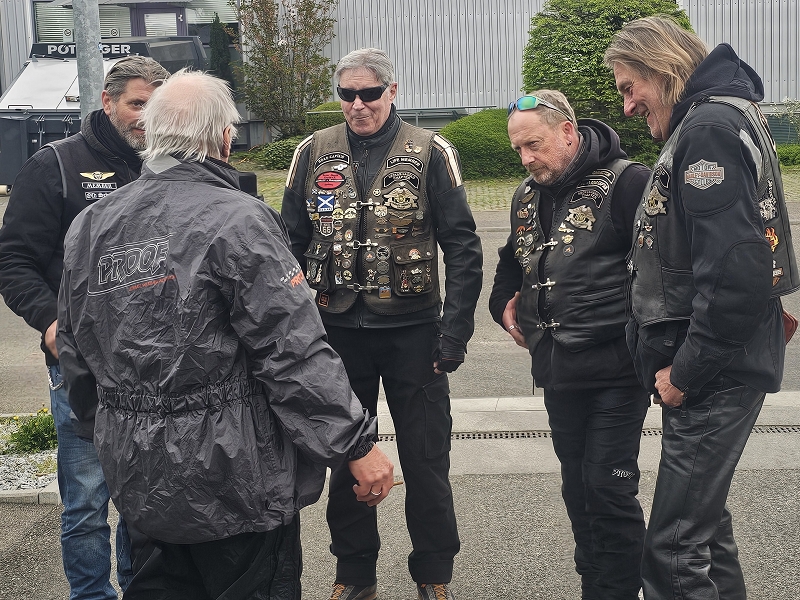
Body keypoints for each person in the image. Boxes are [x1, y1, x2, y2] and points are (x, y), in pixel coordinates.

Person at [56, 68, 395, 600]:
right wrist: (354, 443)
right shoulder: (239, 220)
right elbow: (292, 351)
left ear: (152, 134)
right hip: (236, 480)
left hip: (140, 475)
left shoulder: (92, 225)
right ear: (224, 138)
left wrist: (114, 431)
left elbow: (75, 351)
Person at [604, 16, 799, 600]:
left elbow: (736, 273)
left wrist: (685, 373)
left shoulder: (708, 129)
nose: (628, 106)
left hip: (711, 372)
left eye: (629, 86)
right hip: (720, 363)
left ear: (662, 69)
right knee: (705, 533)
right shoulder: (723, 116)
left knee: (672, 551)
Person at [281, 48, 483, 600]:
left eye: (370, 93)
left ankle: (433, 573)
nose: (358, 104)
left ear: (392, 92)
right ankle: (354, 573)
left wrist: (454, 332)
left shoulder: (431, 150)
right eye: (347, 94)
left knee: (426, 459)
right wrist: (297, 332)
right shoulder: (312, 151)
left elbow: (462, 246)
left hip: (414, 332)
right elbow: (288, 244)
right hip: (336, 333)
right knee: (346, 455)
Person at [0, 55, 169, 600]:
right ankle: (92, 594)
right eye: (136, 103)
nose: (146, 116)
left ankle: (140, 591)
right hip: (82, 366)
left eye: (156, 106)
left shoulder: (169, 165)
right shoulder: (55, 165)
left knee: (145, 501)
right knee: (87, 502)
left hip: (157, 368)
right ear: (107, 101)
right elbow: (13, 261)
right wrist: (51, 326)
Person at [488, 90, 651, 599]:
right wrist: (502, 304)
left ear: (567, 132)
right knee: (578, 490)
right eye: (518, 149)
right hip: (556, 368)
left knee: (609, 489)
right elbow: (510, 262)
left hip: (617, 367)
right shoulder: (526, 194)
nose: (526, 159)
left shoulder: (629, 182)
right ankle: (594, 589)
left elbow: (663, 268)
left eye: (533, 145)